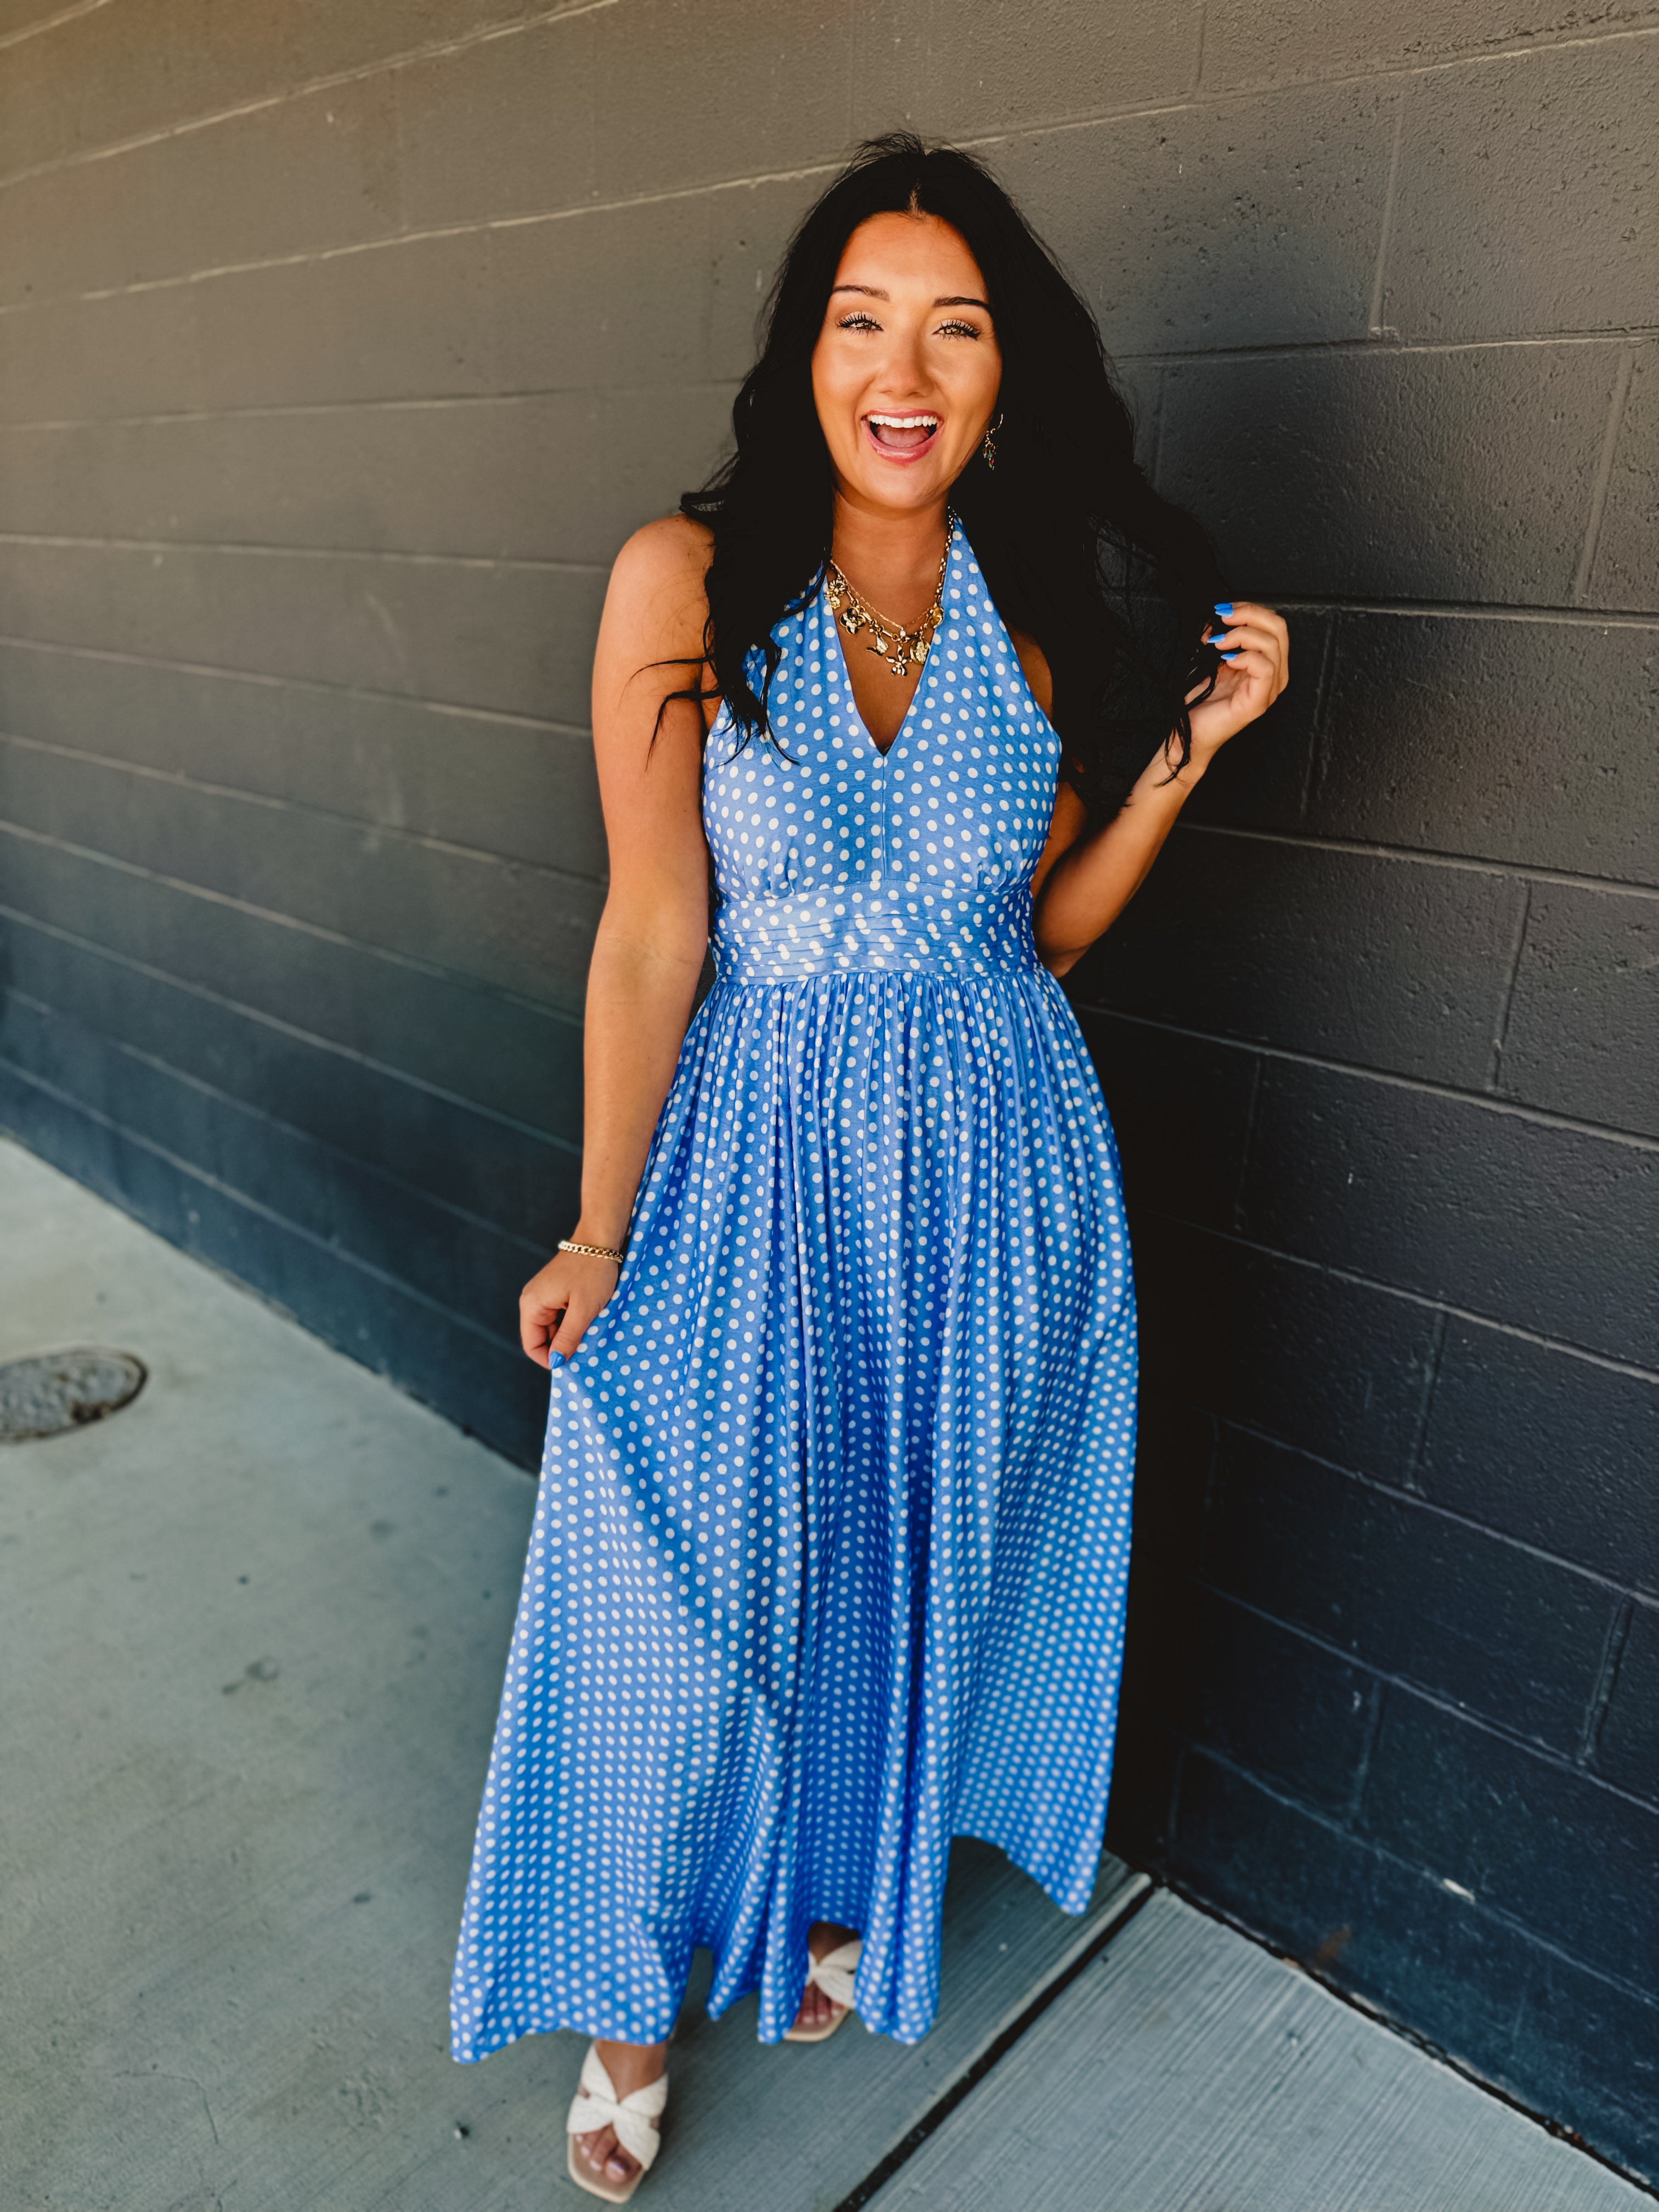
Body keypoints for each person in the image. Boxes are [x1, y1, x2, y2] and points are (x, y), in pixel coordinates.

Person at [449, 132, 1288, 2202]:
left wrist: (1187, 752)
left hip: (994, 1170)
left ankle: (836, 1885)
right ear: (805, 357)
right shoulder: (692, 580)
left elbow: (1049, 932)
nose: (903, 368)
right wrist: (599, 1221)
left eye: (956, 327)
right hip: (749, 1170)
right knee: (679, 1587)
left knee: (902, 1564)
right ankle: (631, 1990)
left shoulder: (1036, 622)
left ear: (1008, 375)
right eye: (861, 321)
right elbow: (654, 929)